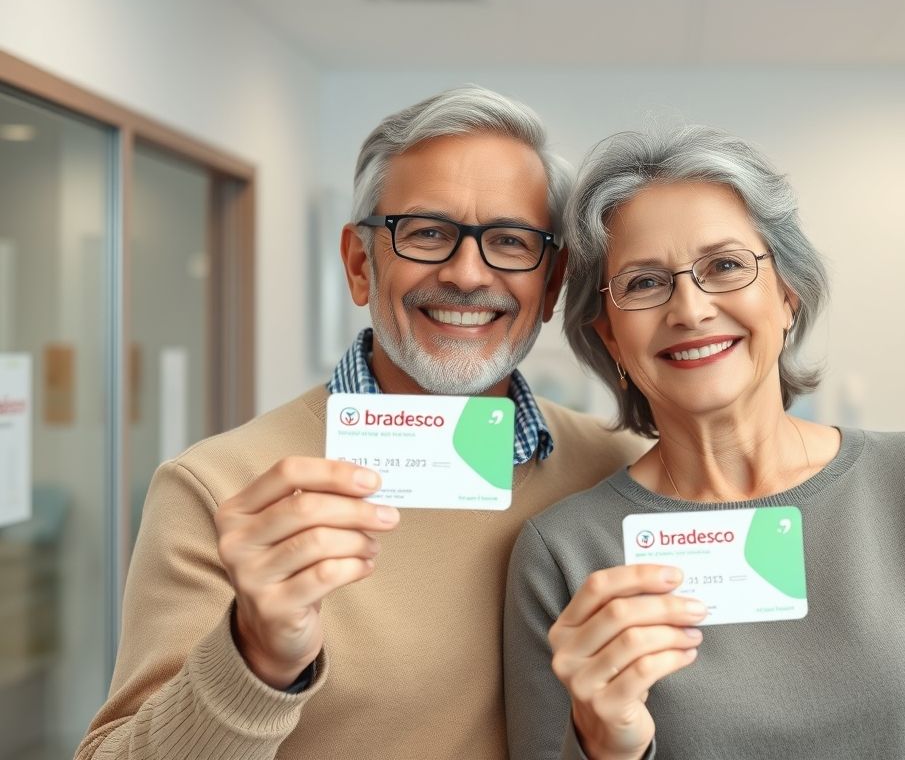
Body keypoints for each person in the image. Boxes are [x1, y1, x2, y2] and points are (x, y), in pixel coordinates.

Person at [77, 86, 645, 760]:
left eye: (510, 240)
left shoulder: (620, 474)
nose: (467, 273)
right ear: (358, 264)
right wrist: (254, 656)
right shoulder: (220, 488)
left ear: (551, 285)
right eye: (428, 233)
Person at [503, 126, 905, 759]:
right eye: (644, 283)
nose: (690, 308)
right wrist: (605, 746)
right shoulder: (565, 553)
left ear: (786, 295)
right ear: (610, 336)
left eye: (725, 266)